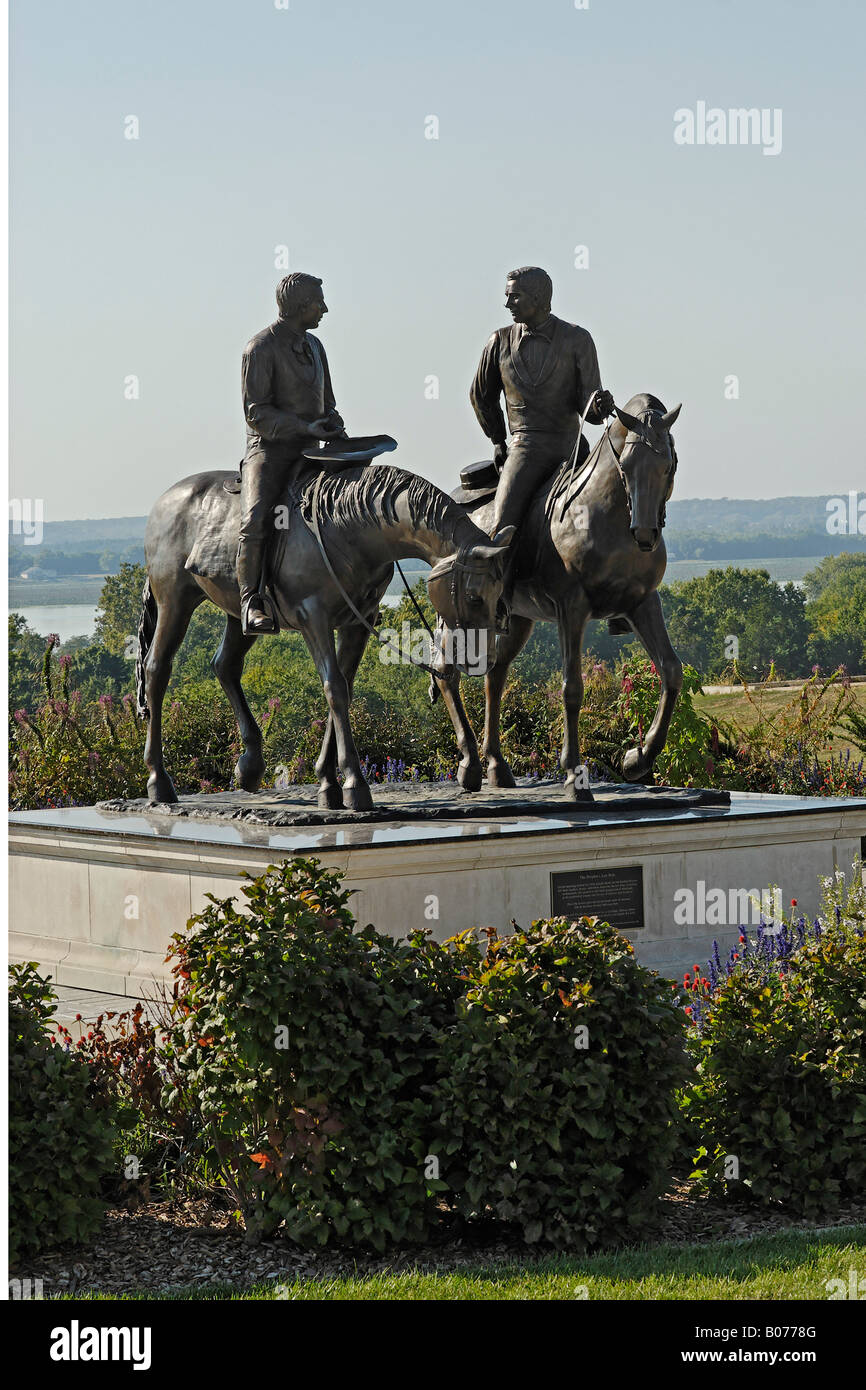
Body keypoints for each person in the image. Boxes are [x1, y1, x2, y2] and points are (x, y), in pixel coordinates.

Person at [470, 265, 614, 540]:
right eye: (508, 296)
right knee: (502, 529)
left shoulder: (577, 339)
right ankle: (497, 577)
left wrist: (599, 405)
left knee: (614, 508)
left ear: (536, 298)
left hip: (572, 449)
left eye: (515, 296)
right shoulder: (498, 342)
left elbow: (590, 407)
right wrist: (498, 441)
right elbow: (480, 396)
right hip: (525, 449)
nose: (507, 303)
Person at [238, 272, 346, 633]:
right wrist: (304, 428)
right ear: (301, 306)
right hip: (270, 451)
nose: (325, 309)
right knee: (255, 519)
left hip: (313, 449)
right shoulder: (261, 348)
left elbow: (327, 402)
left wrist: (332, 422)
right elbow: (256, 413)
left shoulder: (316, 347)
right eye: (320, 303)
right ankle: (251, 600)